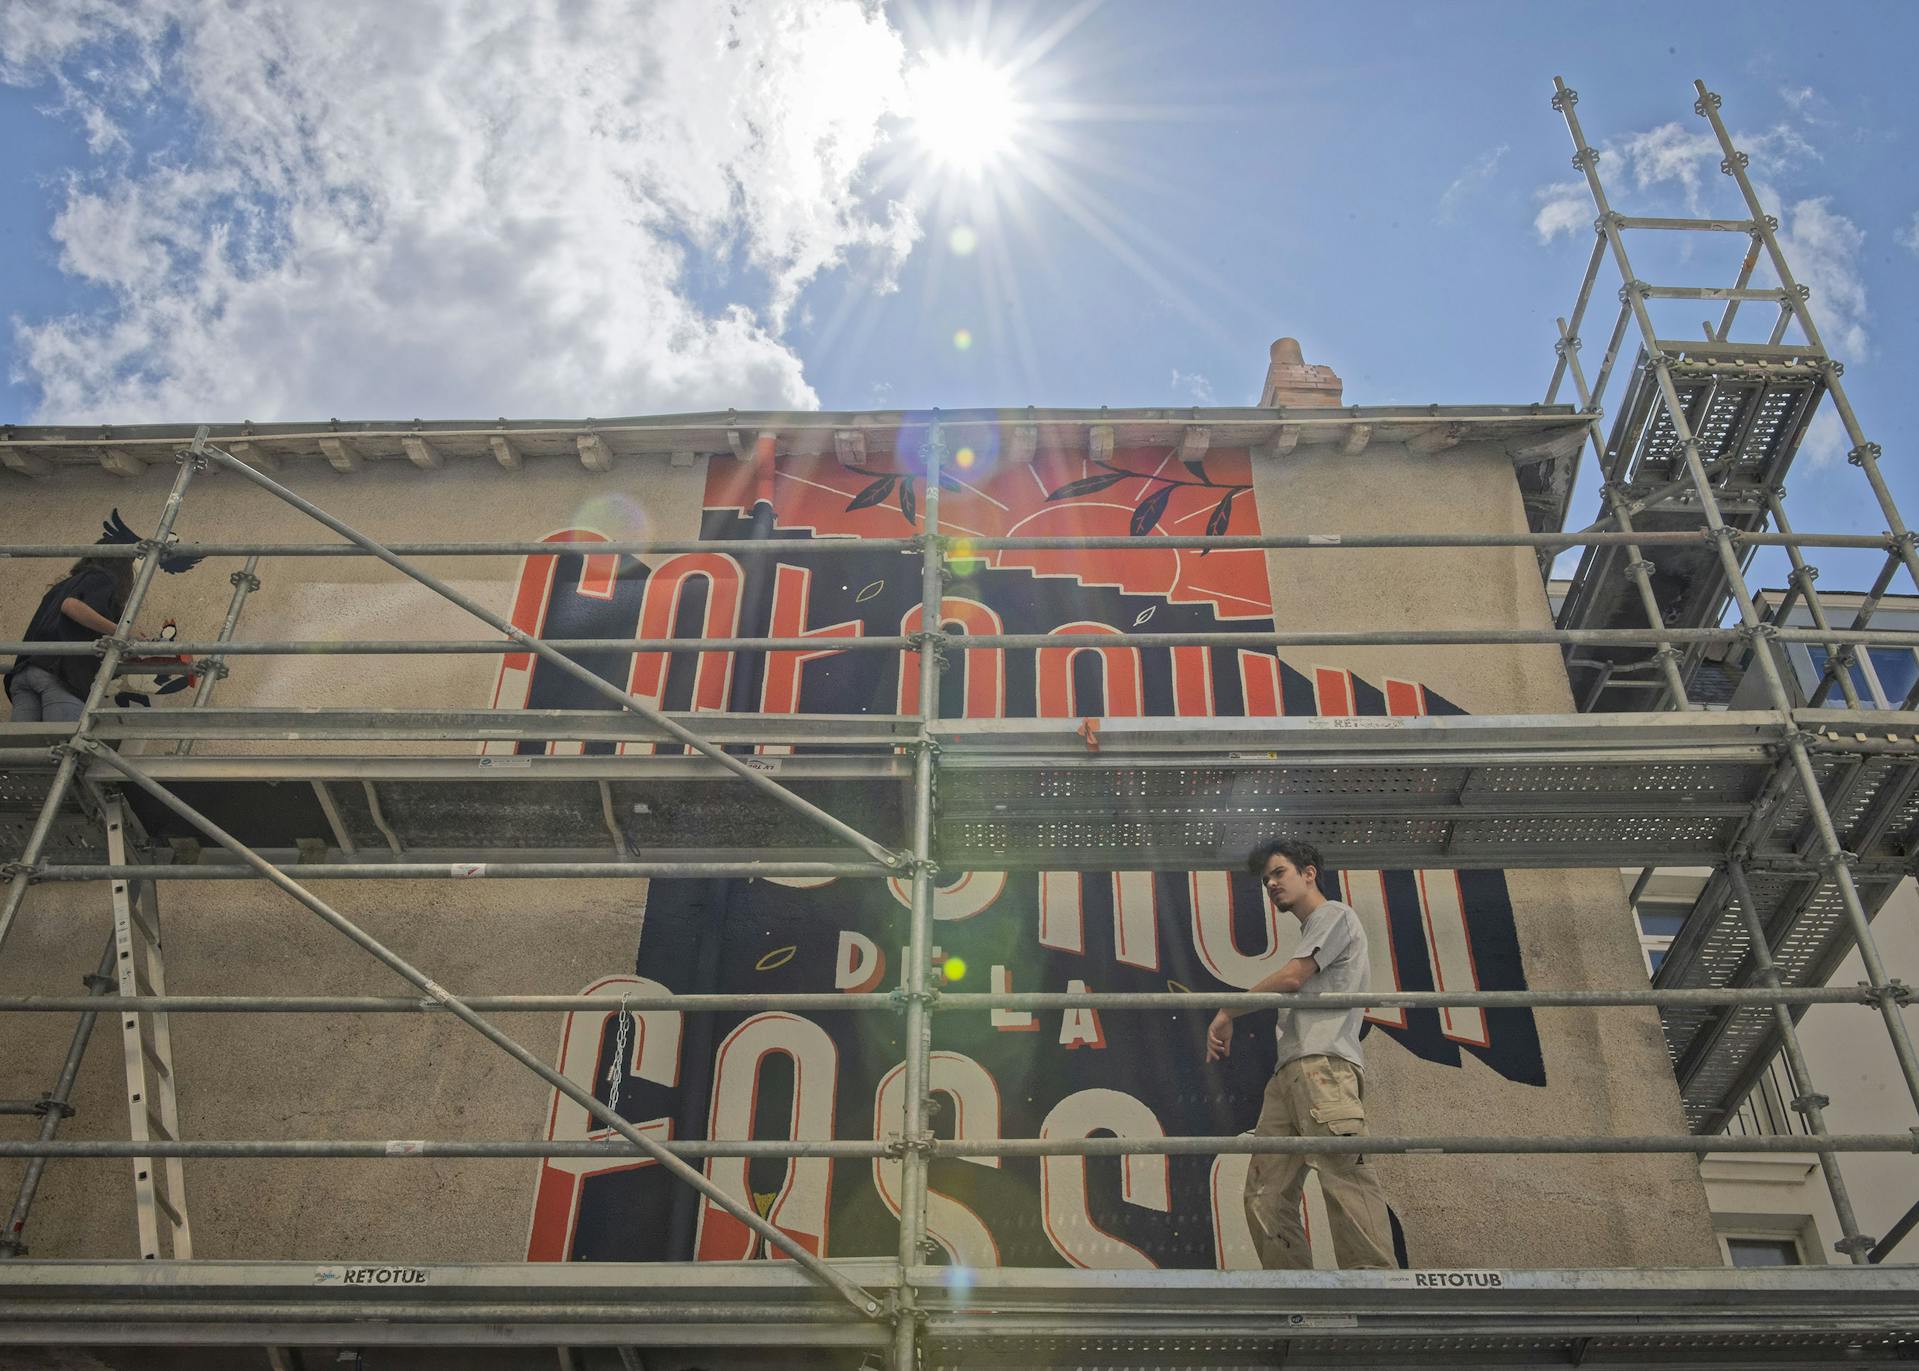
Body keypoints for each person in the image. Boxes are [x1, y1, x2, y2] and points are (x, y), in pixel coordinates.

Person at [1205, 837, 1396, 1270]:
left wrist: (1226, 1012)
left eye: (1279, 873)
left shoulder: (1334, 915)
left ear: (1309, 873)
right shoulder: (1315, 929)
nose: (1271, 884)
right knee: (1263, 1193)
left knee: (1344, 1177)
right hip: (1289, 1072)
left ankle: (1375, 1292)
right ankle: (1295, 1291)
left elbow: (1293, 978)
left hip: (1324, 1065)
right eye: (1265, 879)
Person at [4, 554, 142, 723]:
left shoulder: (61, 587)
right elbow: (71, 606)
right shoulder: (102, 578)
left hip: (23, 675)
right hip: (58, 674)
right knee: (63, 744)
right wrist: (123, 635)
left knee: (25, 746)